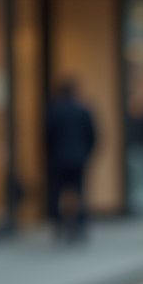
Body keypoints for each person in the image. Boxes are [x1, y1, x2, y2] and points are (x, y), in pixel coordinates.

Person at [45, 79, 95, 242]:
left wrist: (51, 154)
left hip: (58, 159)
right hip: (78, 158)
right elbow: (93, 136)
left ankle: (59, 225)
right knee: (79, 192)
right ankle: (79, 225)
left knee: (58, 192)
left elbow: (47, 137)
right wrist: (86, 153)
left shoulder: (55, 111)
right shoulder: (83, 110)